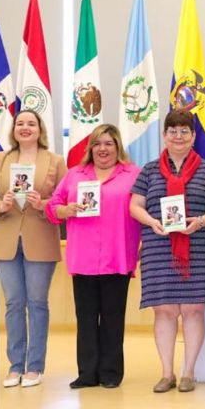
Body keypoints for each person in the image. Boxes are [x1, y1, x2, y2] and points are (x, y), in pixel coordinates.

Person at [129, 110, 205, 393]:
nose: (178, 136)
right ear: (164, 135)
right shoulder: (148, 170)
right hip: (159, 246)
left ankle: (189, 372)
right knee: (164, 311)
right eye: (173, 131)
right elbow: (135, 206)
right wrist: (152, 222)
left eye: (185, 131)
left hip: (199, 246)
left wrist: (201, 221)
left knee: (194, 310)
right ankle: (166, 372)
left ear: (194, 136)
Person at [46, 124, 141, 389]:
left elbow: (145, 208)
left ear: (118, 146)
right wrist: (65, 210)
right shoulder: (75, 174)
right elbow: (52, 207)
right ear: (90, 148)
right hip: (83, 257)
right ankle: (87, 373)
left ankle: (111, 373)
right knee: (86, 318)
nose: (103, 149)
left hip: (118, 255)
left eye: (109, 143)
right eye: (98, 143)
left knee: (113, 317)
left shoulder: (133, 174)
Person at [0, 109, 67, 388]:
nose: (25, 128)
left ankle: (35, 366)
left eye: (31, 123)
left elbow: (64, 199)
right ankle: (15, 365)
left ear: (40, 129)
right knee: (14, 303)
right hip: (6, 240)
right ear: (13, 129)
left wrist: (43, 203)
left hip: (40, 238)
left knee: (37, 303)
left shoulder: (55, 161)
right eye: (20, 124)